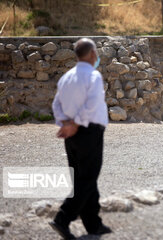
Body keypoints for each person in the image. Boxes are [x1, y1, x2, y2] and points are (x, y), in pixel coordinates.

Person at [50, 38, 111, 239]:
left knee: (83, 178)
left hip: (71, 134)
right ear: (93, 54)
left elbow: (56, 105)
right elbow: (92, 104)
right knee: (87, 179)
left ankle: (93, 225)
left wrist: (66, 124)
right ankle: (62, 218)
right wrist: (75, 124)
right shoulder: (93, 76)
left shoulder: (66, 77)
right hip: (88, 131)